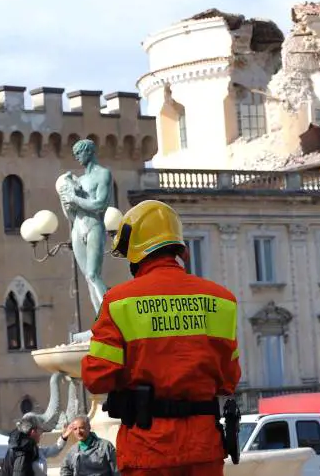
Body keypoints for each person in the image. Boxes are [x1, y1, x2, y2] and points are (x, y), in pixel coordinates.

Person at [80, 200, 242, 476]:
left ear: (137, 252)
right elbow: (229, 381)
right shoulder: (222, 300)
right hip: (204, 448)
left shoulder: (119, 302)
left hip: (148, 448)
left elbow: (96, 378)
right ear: (178, 248)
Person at [57, 138, 114, 313]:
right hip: (77, 228)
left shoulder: (103, 174)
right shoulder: (79, 180)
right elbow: (71, 214)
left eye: (79, 153)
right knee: (88, 279)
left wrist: (75, 199)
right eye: (75, 155)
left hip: (94, 225)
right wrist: (65, 199)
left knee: (93, 274)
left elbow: (100, 205)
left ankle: (109, 316)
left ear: (89, 151)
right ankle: (100, 320)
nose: (77, 158)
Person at [0, 415, 74, 476]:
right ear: (33, 431)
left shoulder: (32, 448)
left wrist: (64, 437)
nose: (41, 434)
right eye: (40, 430)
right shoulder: (21, 451)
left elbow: (54, 450)